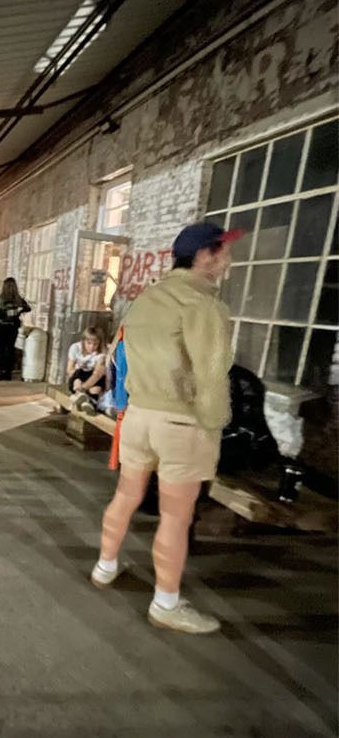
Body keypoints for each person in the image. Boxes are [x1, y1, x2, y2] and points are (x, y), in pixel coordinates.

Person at [90, 222, 240, 635]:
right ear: (206, 256)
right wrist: (215, 427)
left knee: (126, 494)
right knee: (176, 516)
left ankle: (105, 566)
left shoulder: (146, 299)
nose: (228, 257)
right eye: (223, 250)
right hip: (181, 422)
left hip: (139, 416)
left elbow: (123, 357)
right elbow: (211, 376)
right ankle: (166, 603)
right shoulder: (203, 305)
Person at [0, 278, 32, 380]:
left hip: (1, 327)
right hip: (12, 327)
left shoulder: (0, 300)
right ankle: (8, 372)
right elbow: (28, 308)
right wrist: (18, 311)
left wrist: (2, 315)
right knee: (10, 348)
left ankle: (1, 371)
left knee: (2, 349)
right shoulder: (18, 300)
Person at [66, 326, 110, 410]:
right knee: (78, 375)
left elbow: (97, 374)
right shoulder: (75, 348)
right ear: (83, 341)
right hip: (79, 375)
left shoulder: (101, 353)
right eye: (89, 343)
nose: (92, 347)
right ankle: (82, 397)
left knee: (96, 389)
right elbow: (69, 369)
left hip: (92, 378)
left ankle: (89, 403)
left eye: (95, 344)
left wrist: (84, 388)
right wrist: (77, 383)